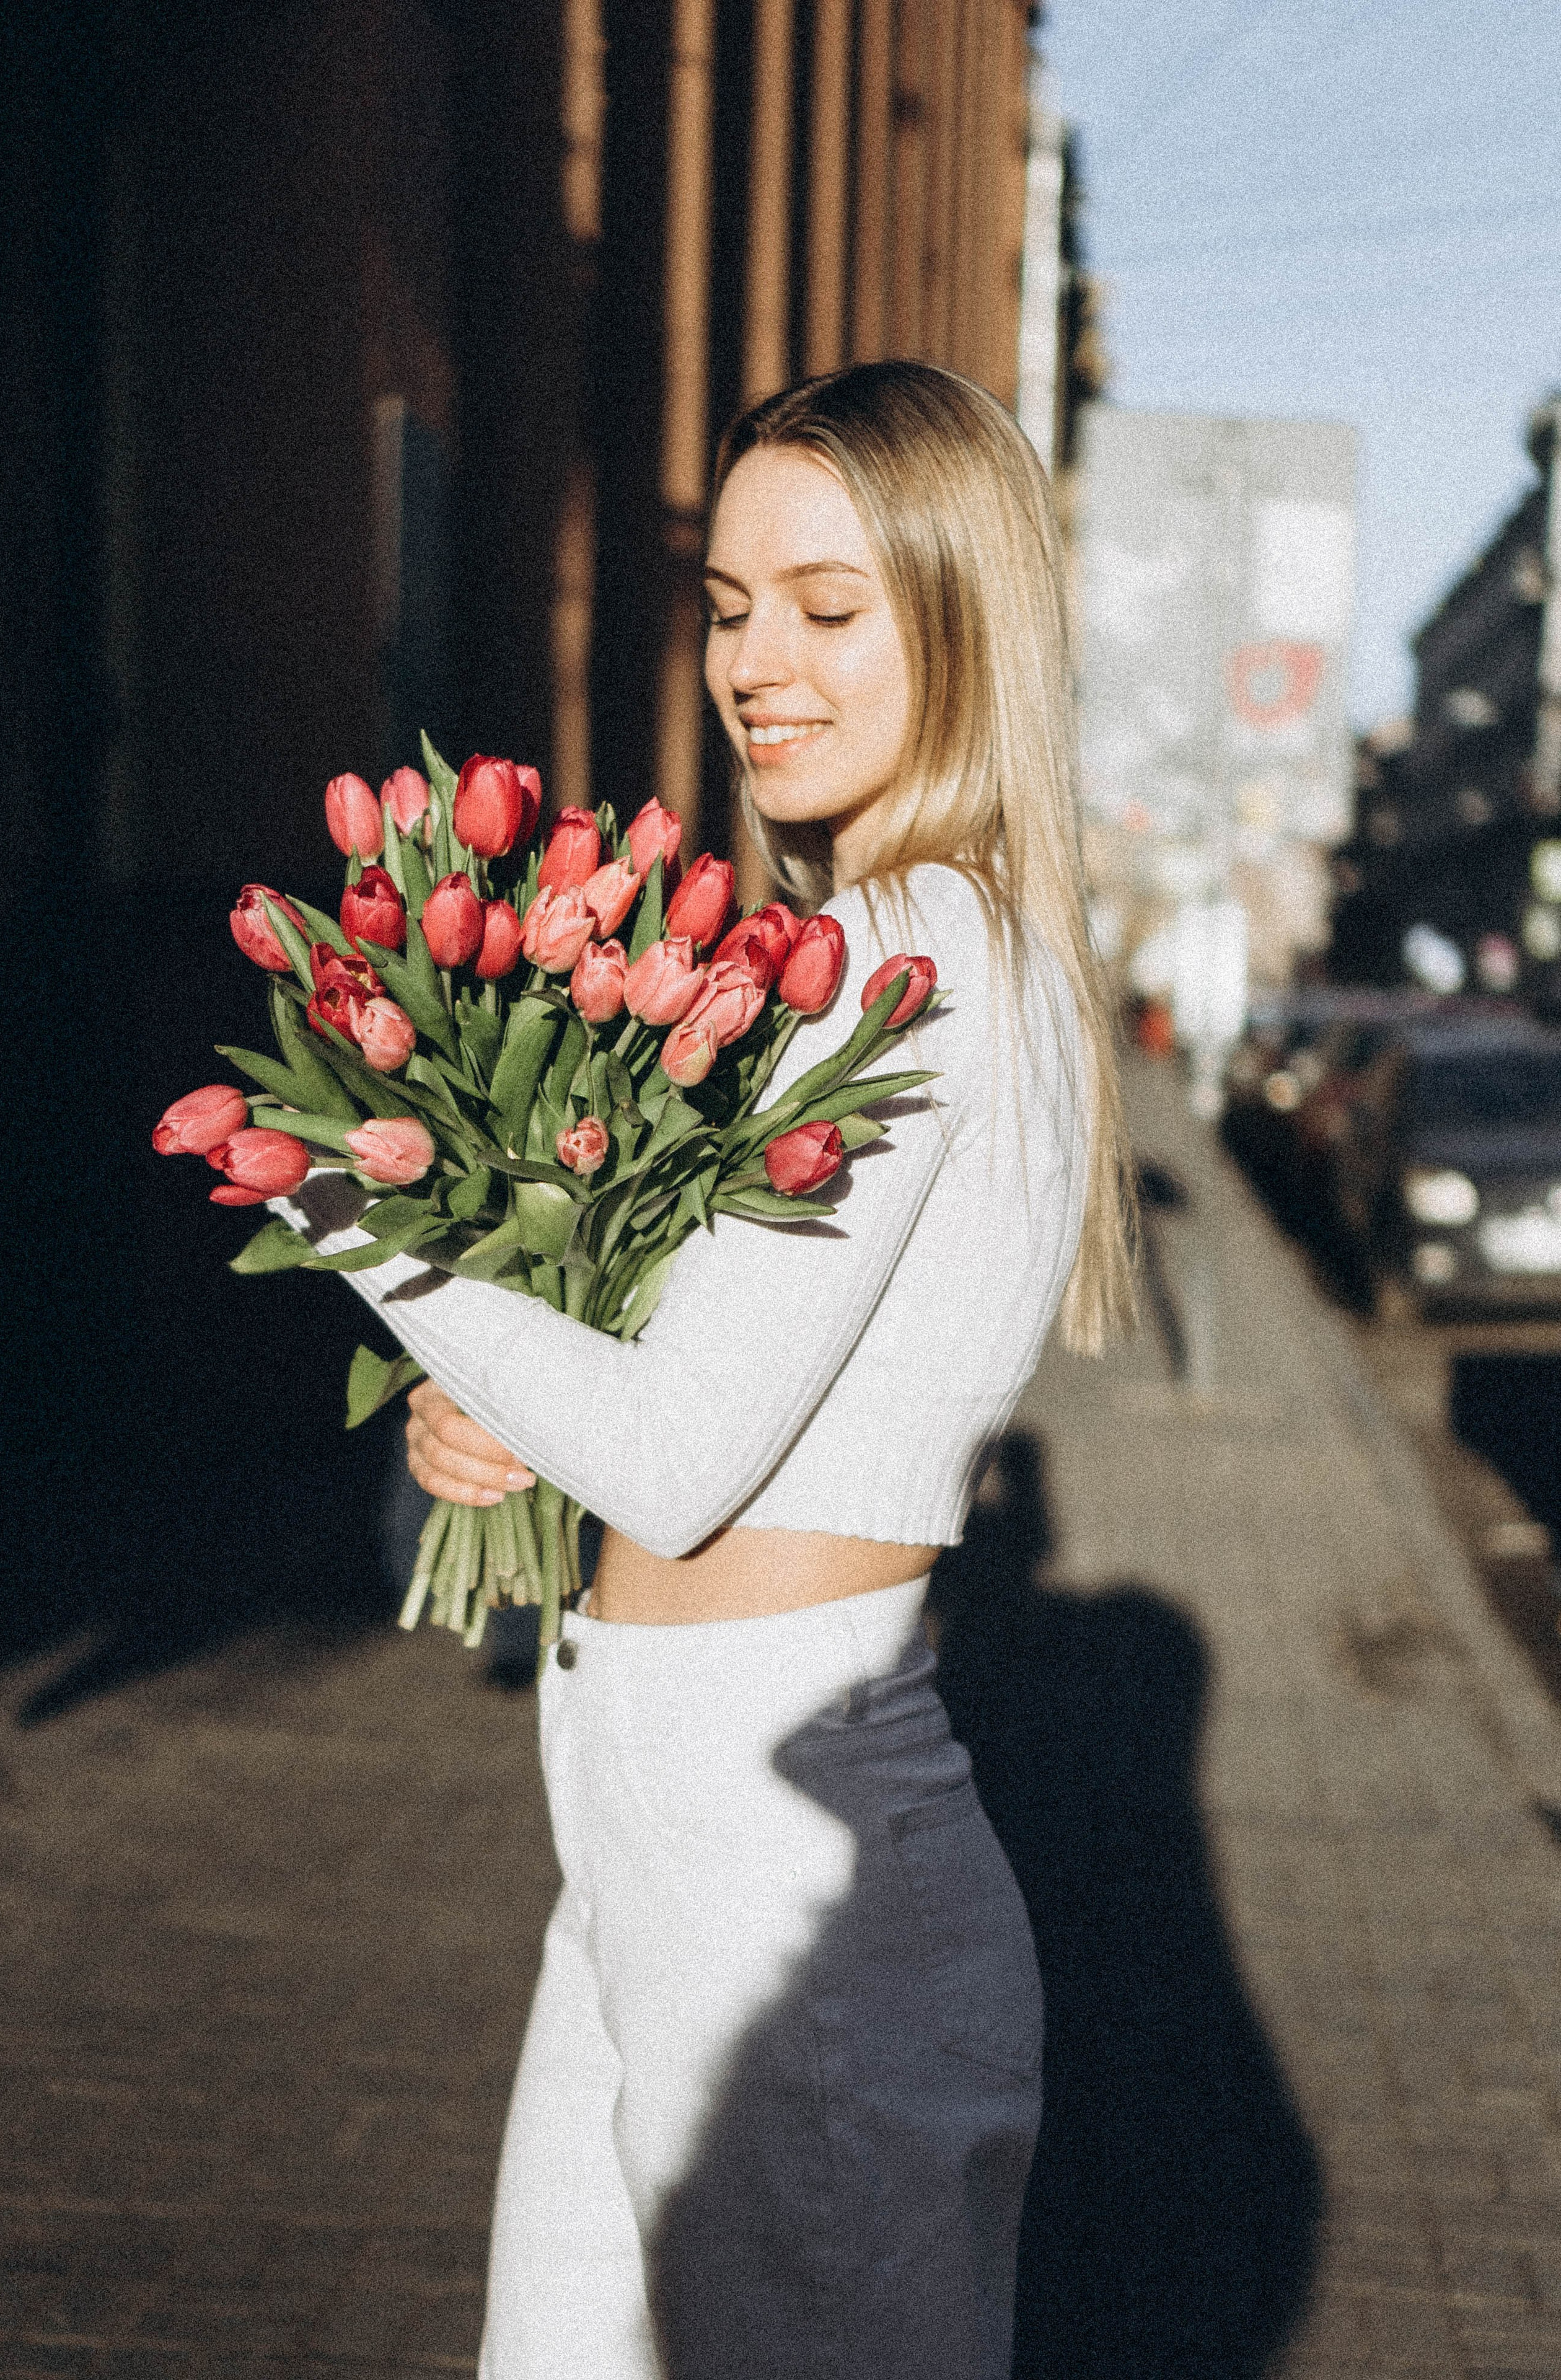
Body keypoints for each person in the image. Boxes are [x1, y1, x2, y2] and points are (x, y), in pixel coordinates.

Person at [291, 361, 1133, 2379]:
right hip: (671, 1827)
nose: (763, 663)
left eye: (829, 609)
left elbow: (676, 1462)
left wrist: (357, 1201)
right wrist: (509, 1397)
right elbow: (715, 1402)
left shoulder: (909, 947)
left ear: (963, 613)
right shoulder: (906, 938)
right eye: (733, 606)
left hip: (787, 1881)